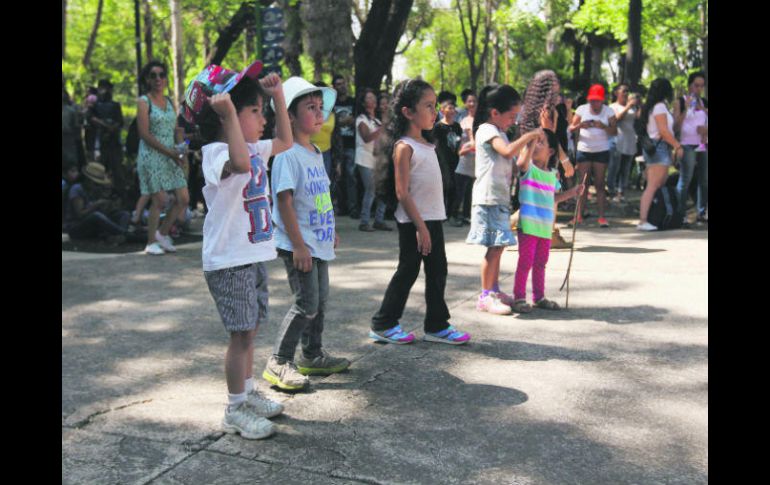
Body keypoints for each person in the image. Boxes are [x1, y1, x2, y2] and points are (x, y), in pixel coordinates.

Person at [186, 61, 293, 439]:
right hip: (229, 261)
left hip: (251, 256)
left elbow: (286, 141)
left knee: (251, 329)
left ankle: (247, 394)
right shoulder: (216, 152)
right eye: (254, 111)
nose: (263, 119)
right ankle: (234, 409)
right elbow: (241, 163)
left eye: (263, 111)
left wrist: (278, 97)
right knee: (241, 334)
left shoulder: (255, 146)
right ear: (225, 114)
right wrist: (230, 115)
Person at [262, 77, 350, 391]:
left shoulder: (314, 151)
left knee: (320, 302)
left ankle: (312, 355)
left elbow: (321, 196)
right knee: (306, 304)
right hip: (298, 244)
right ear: (289, 115)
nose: (318, 113)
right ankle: (279, 361)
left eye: (320, 107)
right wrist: (298, 246)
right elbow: (284, 201)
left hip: (318, 241)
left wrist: (331, 228)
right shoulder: (287, 154)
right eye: (310, 107)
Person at [369, 79, 471, 346]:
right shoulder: (404, 146)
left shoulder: (428, 143)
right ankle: (384, 323)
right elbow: (402, 192)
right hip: (414, 222)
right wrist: (420, 227)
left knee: (438, 271)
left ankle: (437, 325)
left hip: (432, 219)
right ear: (407, 112)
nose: (434, 111)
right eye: (428, 106)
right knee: (408, 270)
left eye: (434, 105)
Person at [466, 84, 540, 315]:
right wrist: (527, 136)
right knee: (494, 248)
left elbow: (517, 164)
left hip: (499, 199)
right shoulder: (487, 130)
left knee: (498, 248)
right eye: (511, 116)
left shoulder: (501, 133)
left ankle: (494, 290)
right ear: (495, 112)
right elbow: (507, 152)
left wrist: (532, 143)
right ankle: (485, 296)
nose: (513, 121)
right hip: (488, 199)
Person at [512, 130, 585, 312]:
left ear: (551, 151)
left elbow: (553, 198)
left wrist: (573, 192)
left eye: (540, 142)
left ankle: (539, 297)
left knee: (540, 262)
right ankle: (519, 297)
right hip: (528, 224)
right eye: (534, 142)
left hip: (545, 226)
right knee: (525, 261)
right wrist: (531, 140)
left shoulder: (553, 175)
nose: (535, 145)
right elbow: (521, 163)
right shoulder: (528, 169)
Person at [133, 61, 190, 255]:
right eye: (153, 75)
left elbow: (176, 130)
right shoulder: (144, 101)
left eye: (161, 75)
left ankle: (162, 234)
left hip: (171, 155)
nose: (158, 79)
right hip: (151, 155)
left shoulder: (169, 101)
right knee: (159, 200)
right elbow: (144, 134)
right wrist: (170, 153)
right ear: (147, 80)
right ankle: (150, 242)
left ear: (166, 79)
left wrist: (181, 151)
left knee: (183, 198)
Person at [568, 83, 617, 228]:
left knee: (600, 184)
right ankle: (578, 216)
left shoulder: (609, 111)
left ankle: (601, 217)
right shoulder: (581, 109)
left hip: (601, 150)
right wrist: (580, 126)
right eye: (592, 100)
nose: (594, 103)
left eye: (597, 100)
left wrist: (603, 126)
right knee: (583, 184)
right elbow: (571, 128)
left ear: (602, 100)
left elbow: (615, 131)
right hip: (584, 150)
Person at [637, 78, 683, 231]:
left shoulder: (654, 107)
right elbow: (663, 131)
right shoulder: (660, 107)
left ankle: (652, 218)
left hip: (657, 148)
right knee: (653, 186)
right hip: (660, 148)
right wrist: (677, 146)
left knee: (656, 185)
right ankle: (643, 221)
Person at [64, 162, 130, 244]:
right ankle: (125, 234)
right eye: (95, 183)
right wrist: (97, 204)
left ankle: (118, 236)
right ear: (88, 180)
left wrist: (109, 206)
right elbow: (80, 214)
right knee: (96, 215)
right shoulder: (77, 189)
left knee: (124, 214)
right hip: (76, 227)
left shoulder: (95, 190)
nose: (97, 186)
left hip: (93, 226)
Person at [673, 71, 708, 224]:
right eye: (696, 85)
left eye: (701, 86)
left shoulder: (704, 102)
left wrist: (706, 129)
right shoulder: (680, 102)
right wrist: (686, 109)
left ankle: (702, 212)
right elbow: (675, 126)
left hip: (703, 144)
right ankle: (681, 214)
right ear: (689, 86)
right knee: (685, 179)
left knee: (704, 180)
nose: (698, 89)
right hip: (686, 144)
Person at [355, 88, 391, 231]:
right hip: (364, 158)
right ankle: (364, 221)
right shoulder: (361, 119)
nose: (373, 100)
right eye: (369, 98)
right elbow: (366, 137)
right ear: (363, 103)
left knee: (383, 189)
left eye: (373, 97)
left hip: (378, 159)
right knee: (370, 189)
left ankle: (379, 220)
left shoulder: (376, 120)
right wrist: (382, 129)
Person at [89, 79, 126, 203]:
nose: (106, 91)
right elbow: (91, 119)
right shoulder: (95, 105)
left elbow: (120, 122)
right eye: (103, 88)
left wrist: (112, 128)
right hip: (99, 143)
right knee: (99, 170)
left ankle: (120, 197)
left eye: (108, 88)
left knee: (117, 171)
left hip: (114, 143)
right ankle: (99, 197)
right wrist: (104, 125)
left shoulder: (115, 105)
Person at [433, 91, 463, 223]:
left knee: (454, 186)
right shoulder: (438, 126)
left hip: (455, 159)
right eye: (449, 108)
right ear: (442, 110)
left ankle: (450, 213)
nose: (452, 110)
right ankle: (440, 212)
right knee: (445, 185)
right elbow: (435, 144)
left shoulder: (457, 126)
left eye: (453, 108)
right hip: (442, 160)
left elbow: (459, 142)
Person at [332, 74, 359, 218]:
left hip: (350, 144)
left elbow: (357, 120)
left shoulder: (353, 102)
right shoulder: (332, 103)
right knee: (337, 178)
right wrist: (343, 121)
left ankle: (353, 207)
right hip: (335, 145)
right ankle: (339, 207)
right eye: (338, 84)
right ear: (334, 87)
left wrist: (349, 121)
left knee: (351, 176)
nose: (341, 86)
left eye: (343, 83)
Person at [449, 90, 477, 227]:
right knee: (459, 191)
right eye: (469, 101)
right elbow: (459, 145)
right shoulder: (463, 121)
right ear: (465, 104)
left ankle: (466, 216)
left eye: (474, 101)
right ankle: (454, 215)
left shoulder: (482, 121)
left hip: (477, 162)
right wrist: (467, 148)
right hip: (464, 161)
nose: (472, 104)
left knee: (471, 192)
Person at [608, 84, 640, 204]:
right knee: (615, 167)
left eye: (628, 91)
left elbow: (638, 119)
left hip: (630, 140)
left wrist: (639, 105)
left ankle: (621, 191)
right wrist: (627, 107)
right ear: (617, 93)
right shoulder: (613, 106)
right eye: (624, 91)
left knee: (626, 168)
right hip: (617, 140)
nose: (626, 93)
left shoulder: (632, 107)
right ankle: (611, 190)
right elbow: (615, 119)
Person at [310, 81, 337, 211]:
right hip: (309, 150)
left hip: (326, 151)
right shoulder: (308, 111)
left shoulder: (330, 112)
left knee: (324, 184)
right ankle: (314, 209)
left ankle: (323, 211)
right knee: (311, 184)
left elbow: (333, 132)